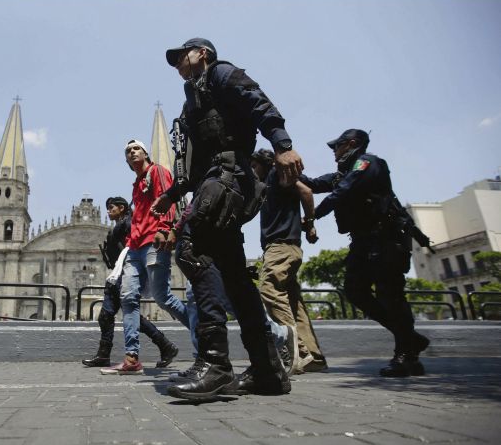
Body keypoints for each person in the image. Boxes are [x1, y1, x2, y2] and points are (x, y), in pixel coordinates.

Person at [152, 38, 301, 400]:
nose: (177, 63)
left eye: (182, 56)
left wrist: (282, 145)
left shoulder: (220, 73)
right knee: (234, 277)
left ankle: (216, 364)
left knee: (191, 249)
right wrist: (173, 194)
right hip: (214, 180)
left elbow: (258, 102)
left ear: (202, 53)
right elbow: (194, 159)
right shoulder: (193, 97)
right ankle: (267, 371)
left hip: (229, 176)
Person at [302, 129, 430, 377]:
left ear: (351, 144)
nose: (334, 152)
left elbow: (343, 191)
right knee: (354, 290)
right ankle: (410, 338)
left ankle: (407, 356)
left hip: (386, 239)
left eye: (337, 146)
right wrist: (281, 164)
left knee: (390, 295)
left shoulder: (368, 163)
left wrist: (311, 217)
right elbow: (314, 184)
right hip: (363, 241)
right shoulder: (343, 173)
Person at [101, 139, 197, 375]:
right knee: (128, 298)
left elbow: (168, 199)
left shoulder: (157, 172)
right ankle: (132, 358)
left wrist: (164, 229)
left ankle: (203, 334)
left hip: (154, 242)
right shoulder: (136, 184)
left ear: (146, 153)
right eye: (128, 151)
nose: (132, 152)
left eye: (137, 149)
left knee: (163, 298)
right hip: (135, 248)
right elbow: (139, 216)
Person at [251, 148, 328, 374]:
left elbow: (306, 191)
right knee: (293, 302)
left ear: (264, 164)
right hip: (286, 248)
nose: (252, 171)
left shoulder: (275, 175)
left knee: (269, 288)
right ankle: (313, 356)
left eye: (254, 166)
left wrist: (310, 223)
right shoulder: (267, 185)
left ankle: (298, 352)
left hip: (281, 247)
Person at [82, 196, 179, 369]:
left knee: (127, 314)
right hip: (119, 272)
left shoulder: (129, 222)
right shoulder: (122, 224)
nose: (109, 211)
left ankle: (165, 346)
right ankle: (104, 355)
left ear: (122, 208)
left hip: (126, 272)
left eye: (112, 207)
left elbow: (134, 239)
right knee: (108, 315)